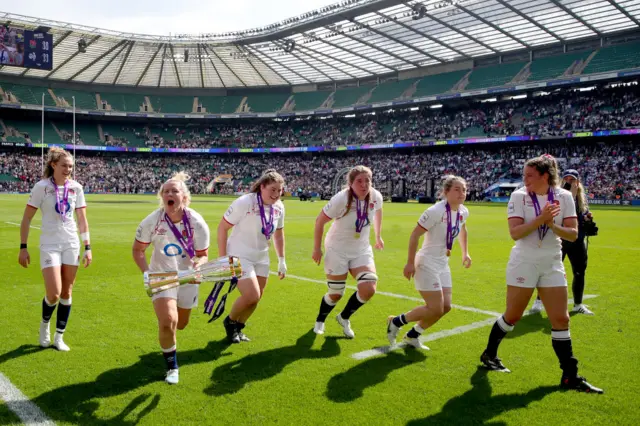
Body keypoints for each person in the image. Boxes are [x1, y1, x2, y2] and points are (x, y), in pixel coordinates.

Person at [480, 154, 603, 394]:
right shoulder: (518, 196)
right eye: (524, 175)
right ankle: (490, 354)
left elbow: (573, 234)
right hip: (524, 261)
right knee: (513, 316)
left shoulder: (564, 197)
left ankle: (570, 375)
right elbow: (515, 233)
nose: (524, 179)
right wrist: (541, 219)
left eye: (529, 175)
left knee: (561, 319)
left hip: (552, 261)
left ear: (545, 176)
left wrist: (553, 225)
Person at [132, 172, 210, 384]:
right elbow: (138, 250)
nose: (169, 194)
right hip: (162, 276)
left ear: (184, 197)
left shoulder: (197, 223)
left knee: (181, 324)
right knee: (168, 321)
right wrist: (147, 272)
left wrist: (198, 265)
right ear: (162, 196)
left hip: (187, 277)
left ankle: (169, 345)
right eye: (166, 191)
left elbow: (203, 255)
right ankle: (172, 367)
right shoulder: (152, 221)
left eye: (174, 191)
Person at [18, 147, 92, 352]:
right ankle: (44, 326)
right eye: (64, 165)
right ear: (53, 165)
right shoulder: (41, 187)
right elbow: (26, 218)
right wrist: (23, 247)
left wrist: (88, 247)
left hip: (71, 243)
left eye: (70, 166)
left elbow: (82, 220)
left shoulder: (76, 188)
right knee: (54, 294)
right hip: (49, 245)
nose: (68, 169)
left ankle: (59, 337)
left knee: (67, 292)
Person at [387, 175, 471, 349]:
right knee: (435, 308)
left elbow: (463, 230)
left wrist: (465, 253)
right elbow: (414, 235)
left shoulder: (463, 211)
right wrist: (410, 263)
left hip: (442, 264)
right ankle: (396, 322)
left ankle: (412, 335)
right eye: (457, 189)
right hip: (426, 263)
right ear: (446, 192)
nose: (462, 193)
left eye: (464, 189)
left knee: (446, 307)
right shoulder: (435, 211)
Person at [311, 165, 384, 338]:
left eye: (368, 180)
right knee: (336, 294)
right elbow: (319, 221)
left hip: (361, 249)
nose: (364, 185)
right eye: (359, 181)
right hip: (337, 249)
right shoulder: (341, 199)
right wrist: (317, 248)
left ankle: (344, 317)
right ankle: (320, 320)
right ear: (350, 183)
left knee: (369, 288)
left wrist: (378, 236)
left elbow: (379, 212)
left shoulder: (376, 196)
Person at [218, 169, 287, 344]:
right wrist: (222, 258)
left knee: (257, 297)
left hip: (261, 256)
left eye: (279, 190)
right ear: (261, 187)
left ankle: (239, 328)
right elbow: (222, 228)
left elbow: (278, 234)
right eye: (272, 189)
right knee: (251, 295)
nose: (276, 194)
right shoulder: (245, 202)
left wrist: (282, 260)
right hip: (239, 254)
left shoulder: (279, 207)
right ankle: (230, 321)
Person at [530, 169, 594, 315]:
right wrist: (570, 195)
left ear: (578, 183)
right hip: (559, 240)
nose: (569, 183)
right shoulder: (557, 196)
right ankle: (538, 302)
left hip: (577, 240)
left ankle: (578, 304)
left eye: (572, 180)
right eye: (566, 180)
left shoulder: (581, 199)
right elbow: (555, 214)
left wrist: (587, 220)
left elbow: (580, 217)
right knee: (548, 271)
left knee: (579, 272)